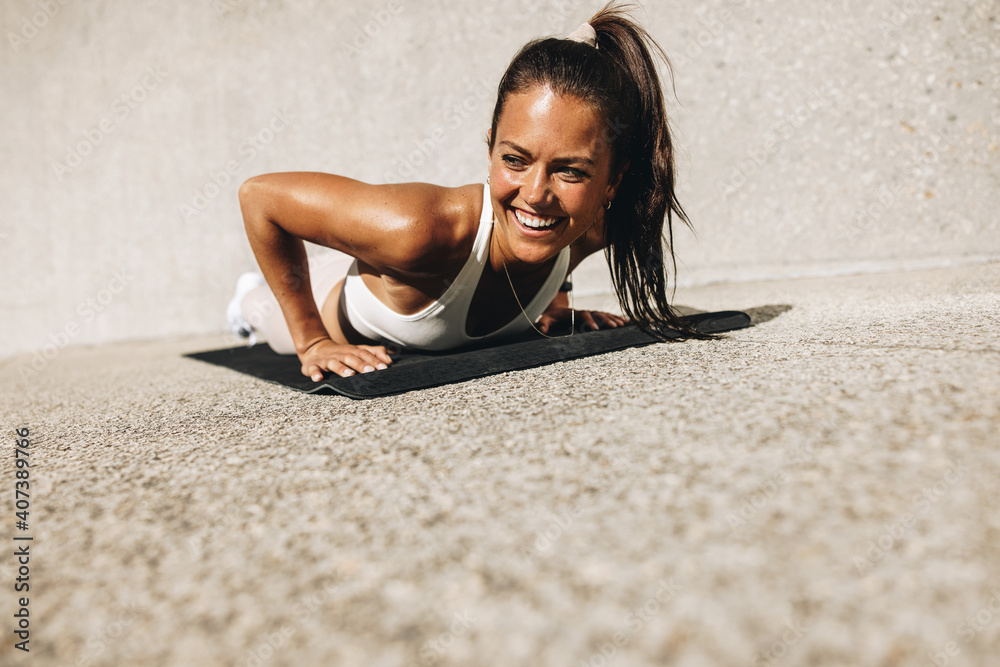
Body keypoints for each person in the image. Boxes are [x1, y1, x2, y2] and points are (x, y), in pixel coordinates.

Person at [231, 1, 698, 383]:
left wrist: (554, 304)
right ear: (490, 143)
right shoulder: (417, 230)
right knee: (261, 315)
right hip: (330, 291)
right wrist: (312, 340)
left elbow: (563, 247)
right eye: (515, 160)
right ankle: (247, 298)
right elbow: (260, 198)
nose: (535, 194)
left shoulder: (595, 226)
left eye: (570, 172)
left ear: (612, 182)